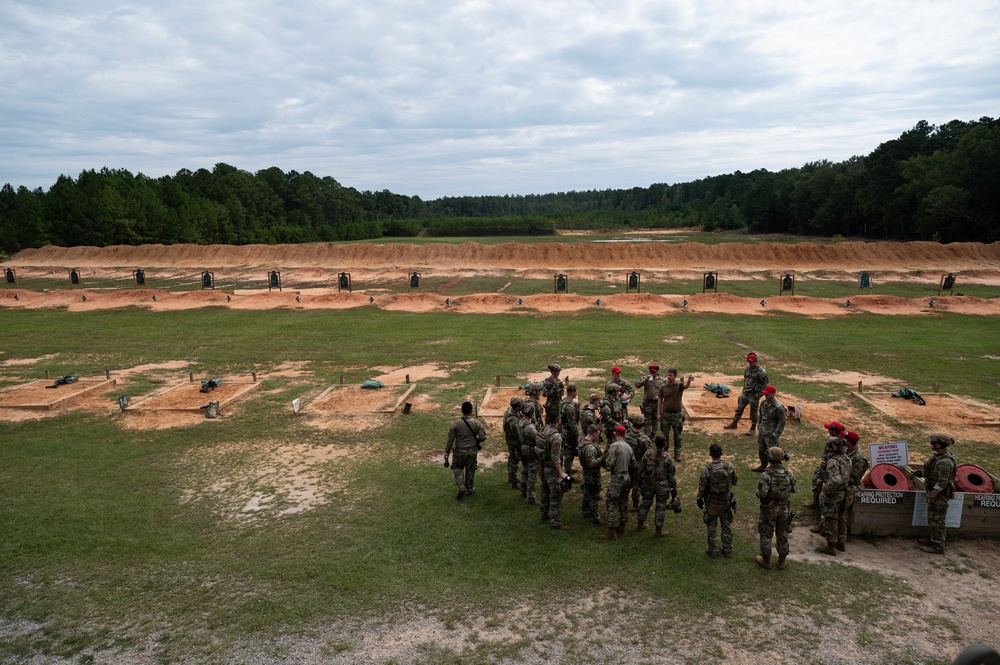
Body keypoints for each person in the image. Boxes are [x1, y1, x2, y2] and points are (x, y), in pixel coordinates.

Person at [756, 446, 796, 570]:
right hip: (784, 509)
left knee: (766, 534)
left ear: (769, 458)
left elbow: (761, 493)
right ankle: (781, 562)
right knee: (783, 534)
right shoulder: (789, 474)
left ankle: (766, 561)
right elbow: (794, 488)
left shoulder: (766, 475)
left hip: (769, 509)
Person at [697, 443, 738, 558]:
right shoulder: (728, 466)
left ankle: (712, 550)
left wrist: (699, 498)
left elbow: (702, 487)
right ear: (722, 454)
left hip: (712, 502)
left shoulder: (707, 469)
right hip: (725, 501)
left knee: (711, 526)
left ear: (710, 454)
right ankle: (727, 549)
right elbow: (735, 481)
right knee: (726, 526)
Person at [920, 433, 957, 554]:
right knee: (933, 519)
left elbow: (942, 483)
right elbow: (933, 472)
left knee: (937, 521)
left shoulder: (945, 462)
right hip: (935, 494)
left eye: (934, 442)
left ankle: (938, 546)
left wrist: (932, 496)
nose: (931, 444)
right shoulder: (938, 458)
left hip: (939, 496)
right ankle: (933, 540)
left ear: (941, 444)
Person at [814, 436, 851, 556]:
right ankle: (841, 543)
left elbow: (836, 479)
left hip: (833, 495)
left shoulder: (833, 462)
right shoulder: (846, 459)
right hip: (844, 493)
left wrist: (826, 488)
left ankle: (830, 546)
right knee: (842, 518)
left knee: (830, 519)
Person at [636, 434, 678, 537]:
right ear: (665, 444)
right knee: (660, 506)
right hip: (662, 485)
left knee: (645, 502)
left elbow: (640, 468)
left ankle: (640, 525)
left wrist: (640, 480)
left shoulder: (648, 453)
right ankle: (658, 531)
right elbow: (672, 476)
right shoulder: (668, 458)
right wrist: (674, 487)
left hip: (648, 483)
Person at [445, 401, 487, 500]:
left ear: (462, 411)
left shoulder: (455, 424)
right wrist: (476, 439)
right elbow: (483, 437)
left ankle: (461, 486)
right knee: (470, 470)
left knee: (457, 468)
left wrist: (447, 451)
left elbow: (450, 439)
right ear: (471, 411)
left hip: (459, 451)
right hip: (472, 451)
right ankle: (469, 489)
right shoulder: (477, 423)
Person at [537, 410, 571, 530]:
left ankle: (543, 514)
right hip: (552, 469)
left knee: (545, 491)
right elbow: (555, 456)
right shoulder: (556, 436)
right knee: (556, 494)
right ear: (558, 420)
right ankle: (555, 522)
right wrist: (561, 472)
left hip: (543, 466)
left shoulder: (544, 430)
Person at [600, 425, 634, 541]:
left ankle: (611, 531)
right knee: (624, 502)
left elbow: (610, 463)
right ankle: (622, 525)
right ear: (624, 434)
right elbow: (633, 463)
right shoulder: (629, 447)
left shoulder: (614, 446)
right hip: (627, 477)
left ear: (615, 433)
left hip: (617, 478)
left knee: (611, 503)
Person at [723, 352, 768, 435]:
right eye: (749, 362)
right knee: (739, 408)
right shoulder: (747, 369)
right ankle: (734, 423)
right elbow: (746, 379)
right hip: (746, 393)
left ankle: (753, 428)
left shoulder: (761, 371)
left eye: (751, 362)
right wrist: (743, 390)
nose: (750, 363)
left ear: (756, 361)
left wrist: (760, 394)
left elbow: (766, 384)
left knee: (753, 412)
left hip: (754, 395)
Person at [806, 422, 846, 510]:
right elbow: (825, 452)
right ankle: (816, 501)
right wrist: (823, 460)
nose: (828, 430)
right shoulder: (834, 439)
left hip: (834, 468)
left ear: (834, 431)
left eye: (829, 429)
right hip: (827, 464)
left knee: (822, 482)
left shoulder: (838, 442)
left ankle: (821, 503)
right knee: (816, 480)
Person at [658, 368, 693, 462]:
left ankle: (677, 453)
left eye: (671, 375)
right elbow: (660, 400)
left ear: (675, 376)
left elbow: (686, 386)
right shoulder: (663, 387)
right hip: (665, 415)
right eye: (668, 375)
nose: (669, 377)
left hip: (677, 415)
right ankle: (665, 452)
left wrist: (689, 381)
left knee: (677, 436)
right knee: (665, 435)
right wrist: (658, 413)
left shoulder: (679, 386)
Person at [752, 386, 785, 472]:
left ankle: (774, 470)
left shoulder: (778, 407)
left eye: (768, 394)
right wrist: (759, 425)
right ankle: (763, 466)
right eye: (765, 394)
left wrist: (775, 434)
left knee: (773, 453)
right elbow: (761, 415)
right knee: (761, 451)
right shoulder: (763, 403)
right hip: (762, 432)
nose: (766, 396)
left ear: (773, 394)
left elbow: (781, 422)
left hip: (771, 434)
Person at [578, 424, 606, 525]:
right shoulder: (589, 448)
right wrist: (602, 457)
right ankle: (595, 518)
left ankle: (585, 511)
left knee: (587, 493)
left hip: (586, 473)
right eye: (597, 435)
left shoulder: (582, 443)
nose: (598, 437)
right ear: (594, 434)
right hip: (592, 475)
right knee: (594, 496)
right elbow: (592, 463)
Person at [842, 431, 869, 534]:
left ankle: (840, 535)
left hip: (850, 486)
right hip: (844, 481)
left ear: (850, 442)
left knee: (836, 504)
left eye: (846, 440)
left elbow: (854, 478)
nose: (843, 441)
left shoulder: (859, 459)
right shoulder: (846, 450)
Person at [625, 414, 652, 512]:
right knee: (636, 485)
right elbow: (649, 453)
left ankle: (623, 500)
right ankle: (635, 505)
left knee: (627, 483)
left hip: (627, 463)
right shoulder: (644, 439)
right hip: (638, 465)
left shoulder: (627, 435)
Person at [517, 403, 539, 505]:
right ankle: (531, 497)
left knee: (524, 470)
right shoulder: (529, 427)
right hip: (530, 451)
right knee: (532, 475)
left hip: (523, 449)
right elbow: (538, 438)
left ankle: (523, 490)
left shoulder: (520, 422)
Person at [636, 364, 665, 436]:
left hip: (656, 403)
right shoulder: (645, 378)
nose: (652, 373)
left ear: (657, 371)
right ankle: (647, 435)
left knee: (655, 420)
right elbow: (637, 385)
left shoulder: (661, 381)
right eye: (651, 372)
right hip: (647, 403)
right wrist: (645, 380)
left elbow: (665, 392)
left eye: (654, 372)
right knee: (647, 420)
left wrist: (659, 397)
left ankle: (653, 435)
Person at [502, 397, 524, 490]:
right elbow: (517, 429)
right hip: (514, 441)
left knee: (512, 458)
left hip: (512, 440)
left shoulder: (511, 412)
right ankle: (513, 481)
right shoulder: (512, 418)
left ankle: (511, 478)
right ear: (516, 407)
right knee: (514, 461)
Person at [560, 384, 581, 474]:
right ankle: (567, 471)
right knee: (569, 451)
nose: (577, 393)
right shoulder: (570, 406)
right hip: (569, 432)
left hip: (565, 429)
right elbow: (572, 422)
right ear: (572, 393)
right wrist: (577, 434)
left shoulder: (564, 401)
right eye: (576, 391)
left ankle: (568, 467)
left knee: (569, 450)